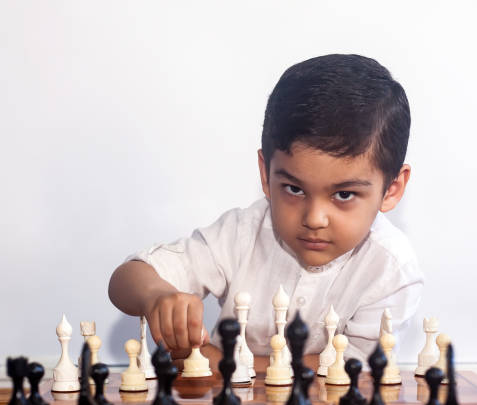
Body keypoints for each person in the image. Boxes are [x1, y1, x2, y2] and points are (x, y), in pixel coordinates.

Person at [108, 54, 424, 370]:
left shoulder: (392, 270)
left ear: (392, 189)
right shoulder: (242, 231)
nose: (314, 219)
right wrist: (154, 294)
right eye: (294, 189)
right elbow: (126, 279)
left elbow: (353, 369)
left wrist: (221, 362)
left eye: (344, 194)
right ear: (266, 174)